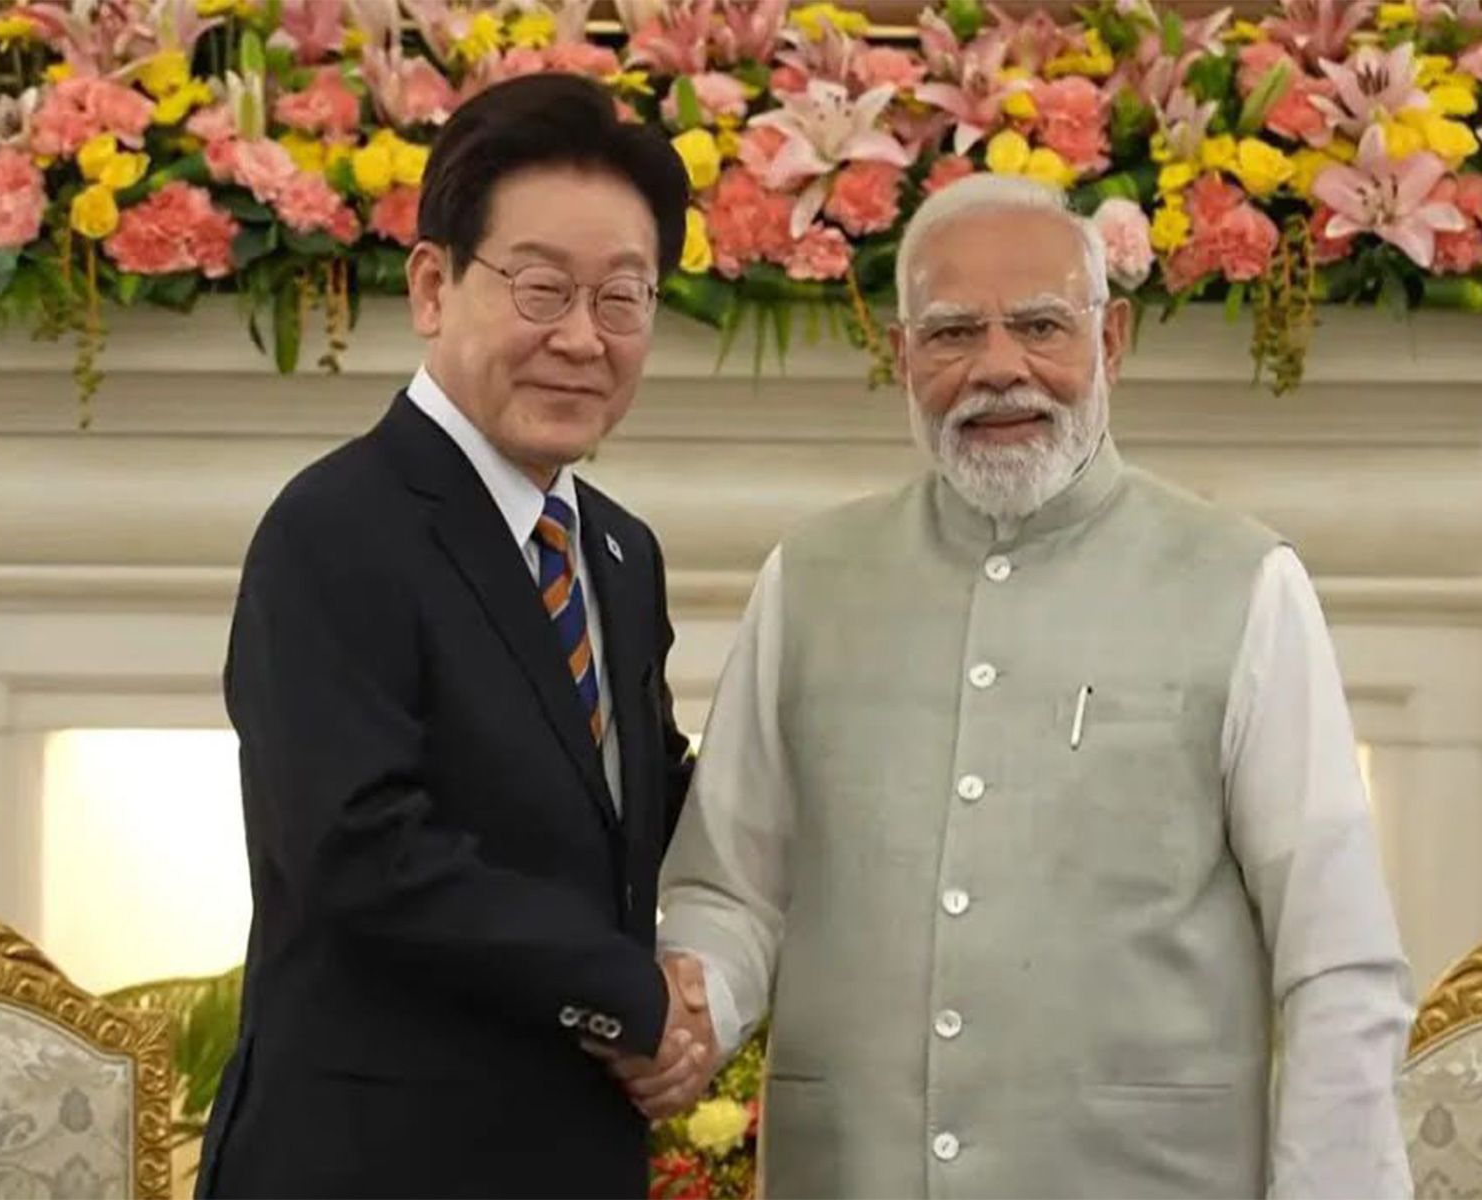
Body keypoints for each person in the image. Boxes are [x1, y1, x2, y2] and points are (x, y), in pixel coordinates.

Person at [635, 174, 1415, 1198]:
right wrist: (691, 1004)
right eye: (953, 334)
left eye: (1041, 325)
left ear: (1112, 343)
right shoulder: (809, 580)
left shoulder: (1243, 583)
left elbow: (1337, 962)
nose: (998, 369)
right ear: (901, 354)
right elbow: (730, 891)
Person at [195, 73, 713, 1200]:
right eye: (540, 290)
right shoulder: (336, 527)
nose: (583, 339)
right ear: (432, 285)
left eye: (623, 299)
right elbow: (362, 854)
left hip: (568, 1155)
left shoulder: (616, 552)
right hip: (372, 1162)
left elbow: (636, 805)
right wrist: (628, 998)